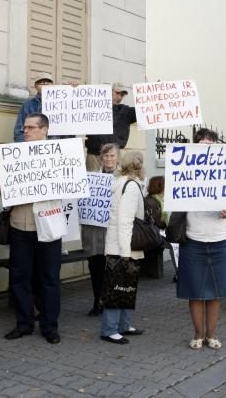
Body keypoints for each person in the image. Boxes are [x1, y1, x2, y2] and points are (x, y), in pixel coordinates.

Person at [173, 128, 226, 350]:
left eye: (210, 143)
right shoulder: (184, 170)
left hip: (218, 238)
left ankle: (212, 335)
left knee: (216, 291)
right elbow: (176, 200)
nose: (206, 146)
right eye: (202, 143)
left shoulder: (225, 171)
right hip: (194, 238)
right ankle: (198, 334)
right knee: (195, 291)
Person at [5, 113, 63, 344]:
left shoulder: (59, 155)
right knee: (19, 277)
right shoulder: (13, 155)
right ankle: (24, 323)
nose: (24, 131)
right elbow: (2, 188)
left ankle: (50, 326)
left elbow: (69, 184)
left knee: (49, 278)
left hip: (48, 224)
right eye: (24, 128)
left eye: (30, 127)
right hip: (20, 224)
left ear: (44, 129)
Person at [100, 151, 146, 344]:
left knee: (126, 286)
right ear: (138, 165)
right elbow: (125, 221)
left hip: (118, 244)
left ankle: (124, 325)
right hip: (123, 246)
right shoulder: (132, 187)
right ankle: (110, 329)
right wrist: (126, 253)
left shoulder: (122, 183)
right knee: (118, 288)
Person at [83, 143, 120, 317]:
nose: (109, 159)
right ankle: (97, 301)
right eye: (106, 156)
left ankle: (111, 301)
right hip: (94, 232)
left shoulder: (123, 178)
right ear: (101, 157)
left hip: (113, 231)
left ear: (118, 157)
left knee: (112, 268)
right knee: (95, 267)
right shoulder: (92, 178)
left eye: (112, 156)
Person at [84, 83, 137, 172]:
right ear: (109, 91)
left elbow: (142, 111)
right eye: (117, 93)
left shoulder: (125, 111)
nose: (120, 97)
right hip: (94, 155)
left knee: (114, 182)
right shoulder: (92, 106)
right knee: (92, 183)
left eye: (122, 95)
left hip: (113, 156)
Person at [13, 77, 53, 142]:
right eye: (42, 83)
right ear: (35, 86)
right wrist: (23, 147)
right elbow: (19, 131)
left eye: (48, 83)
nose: (45, 85)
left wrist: (73, 88)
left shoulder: (63, 103)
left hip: (57, 147)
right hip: (33, 148)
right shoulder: (28, 105)